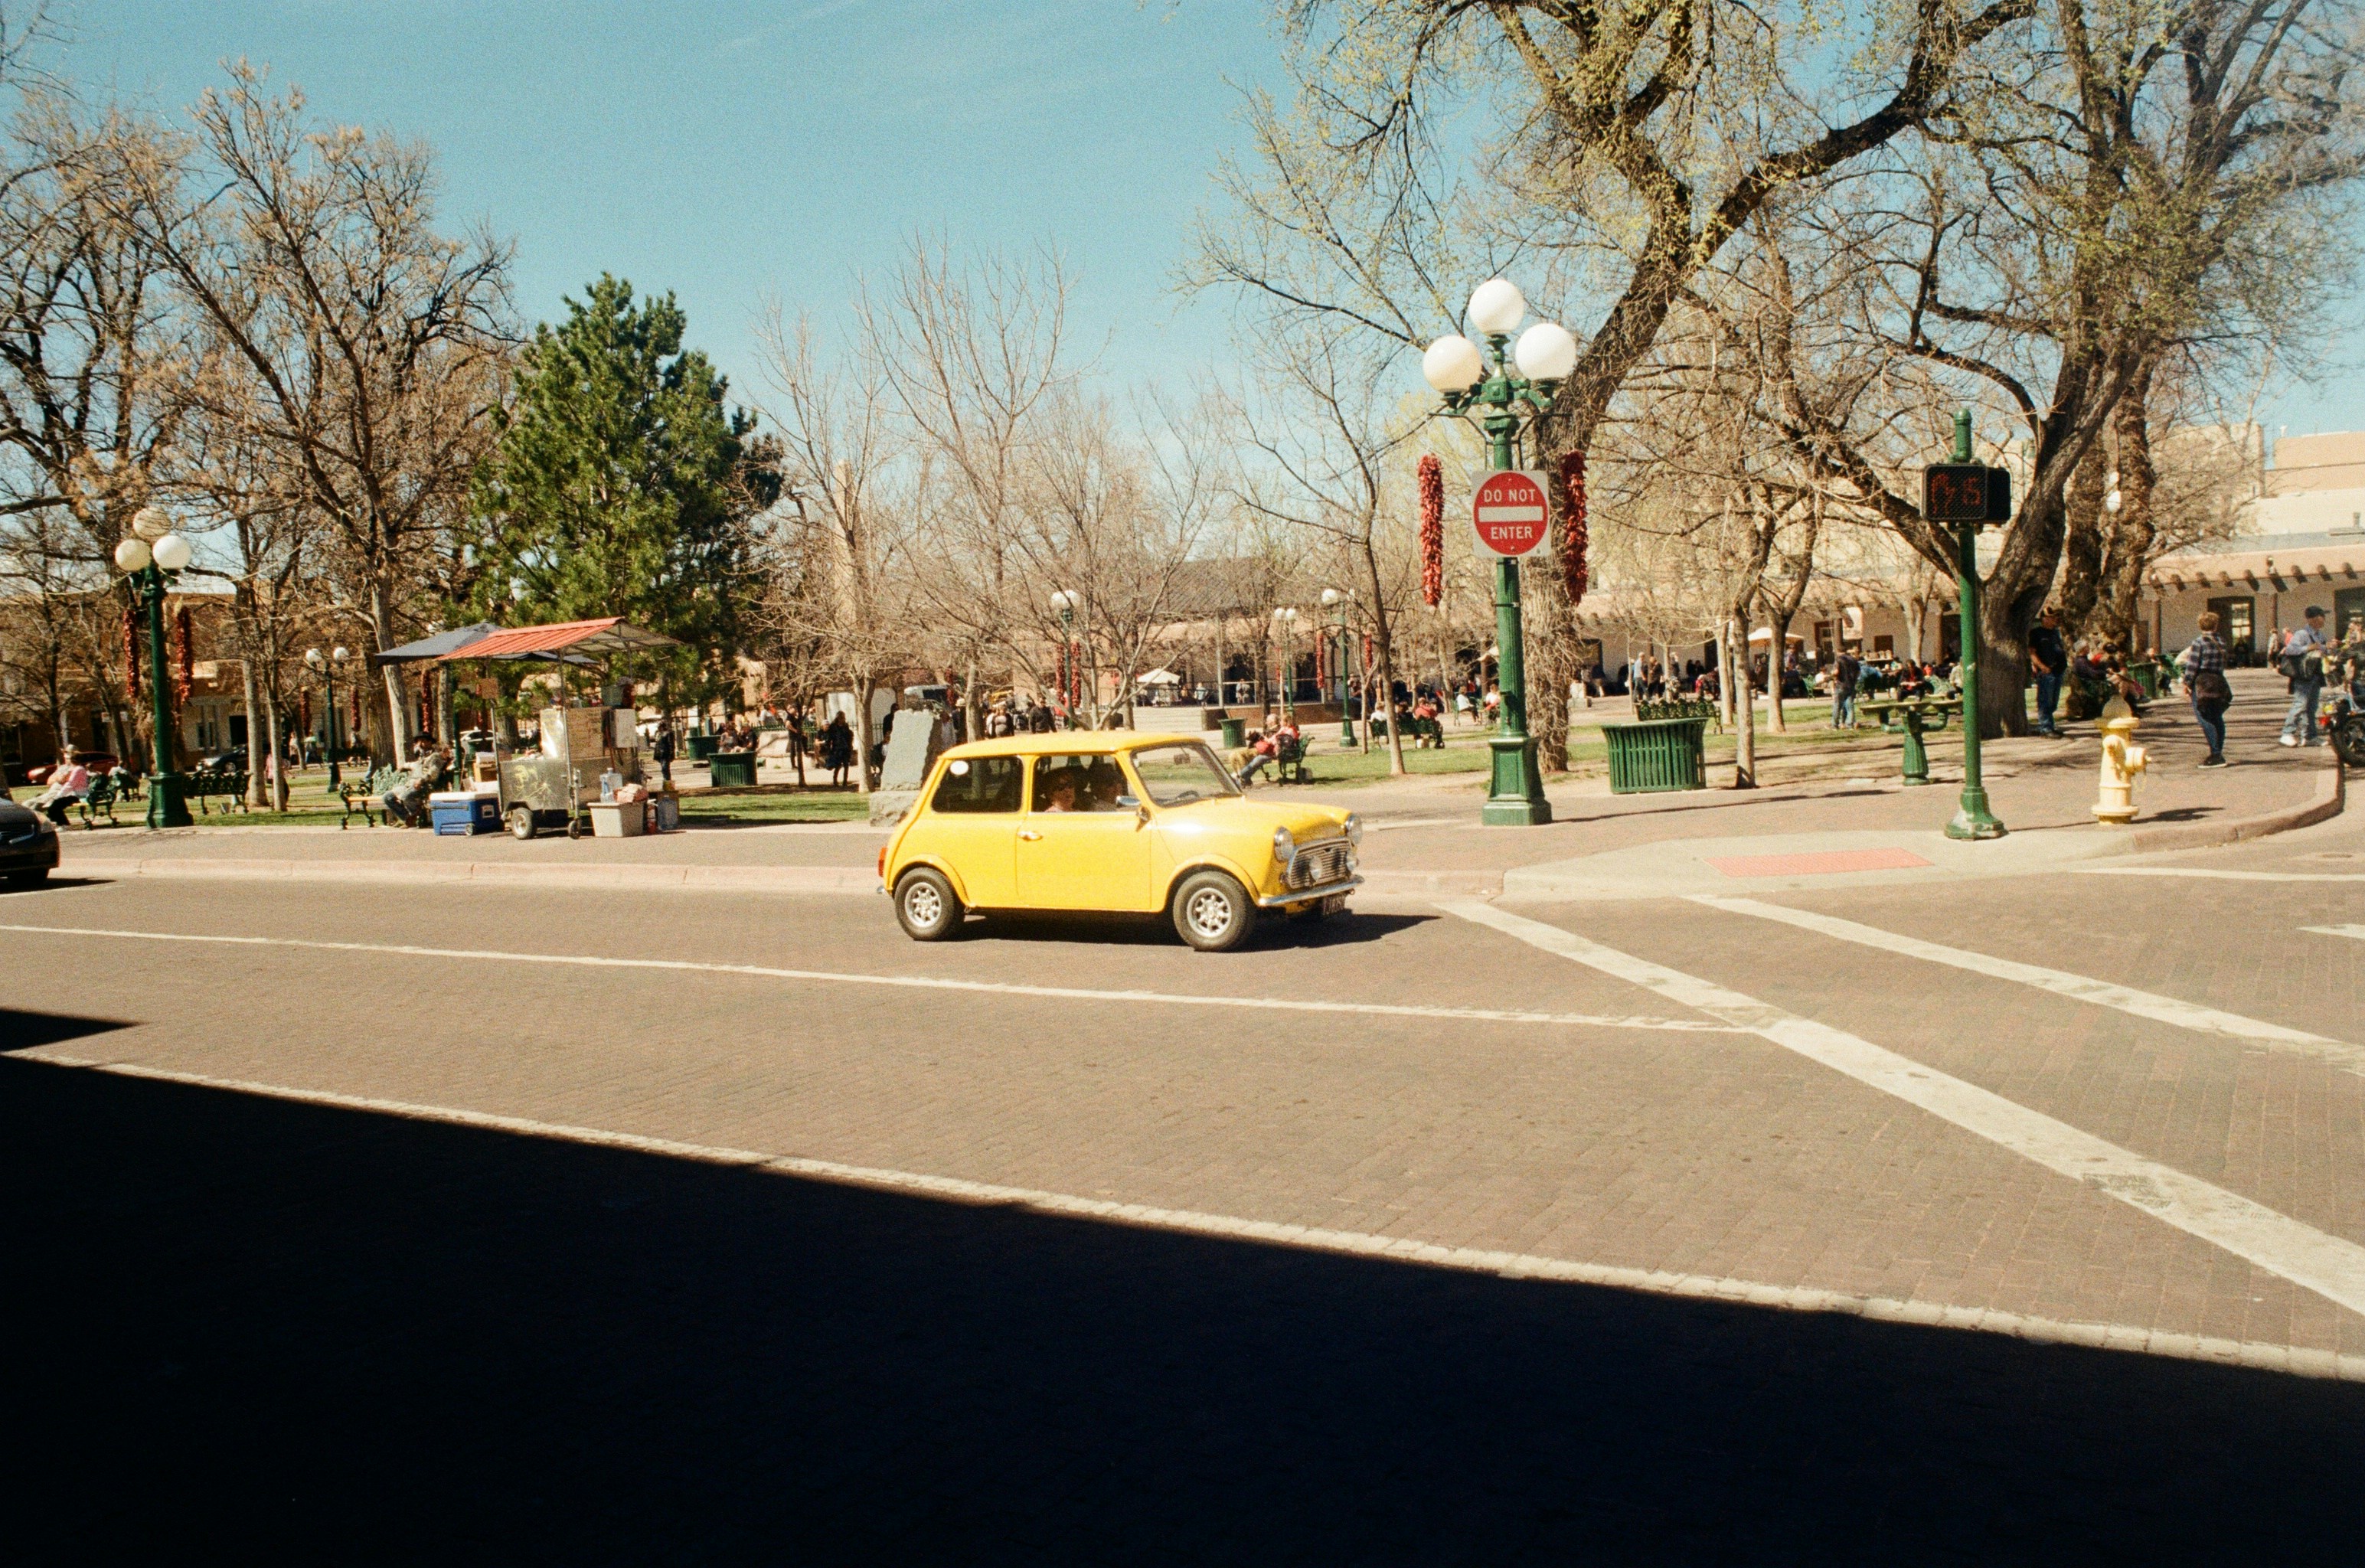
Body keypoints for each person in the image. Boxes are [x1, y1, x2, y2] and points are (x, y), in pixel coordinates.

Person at [2179, 610, 2233, 768]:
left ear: (2200, 625)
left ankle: (2215, 754)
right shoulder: (2222, 642)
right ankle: (2218, 751)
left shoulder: (2199, 642)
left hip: (2202, 681)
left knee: (2204, 717)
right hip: (2218, 680)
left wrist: (2186, 683)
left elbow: (2193, 665)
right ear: (2216, 625)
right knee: (2217, 717)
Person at [2279, 605, 2331, 746]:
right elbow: (2290, 650)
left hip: (2315, 673)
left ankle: (2309, 736)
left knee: (2312, 707)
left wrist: (2329, 648)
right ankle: (2287, 733)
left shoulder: (2320, 634)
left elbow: (2321, 650)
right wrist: (2308, 647)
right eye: (2322, 616)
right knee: (2300, 704)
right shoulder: (2302, 634)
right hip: (2303, 674)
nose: (2324, 619)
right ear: (2313, 619)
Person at [381, 740, 449, 828]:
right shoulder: (423, 756)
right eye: (419, 742)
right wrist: (404, 766)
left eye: (423, 741)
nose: (420, 744)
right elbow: (415, 765)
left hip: (424, 785)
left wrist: (422, 780)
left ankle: (416, 816)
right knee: (387, 797)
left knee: (406, 796)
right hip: (410, 785)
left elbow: (433, 772)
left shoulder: (436, 758)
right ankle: (407, 818)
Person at [2029, 607, 2069, 737]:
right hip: (2047, 671)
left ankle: (2049, 725)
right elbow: (2032, 653)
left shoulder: (2055, 633)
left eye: (2055, 617)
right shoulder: (2037, 633)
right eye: (2051, 617)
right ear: (2044, 619)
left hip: (2058, 670)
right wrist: (2041, 666)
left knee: (2053, 702)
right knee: (2045, 700)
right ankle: (2046, 728)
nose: (2054, 620)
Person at [31, 752, 90, 826]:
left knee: (55, 806)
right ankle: (62, 824)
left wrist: (59, 795)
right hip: (75, 794)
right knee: (54, 806)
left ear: (73, 761)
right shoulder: (79, 769)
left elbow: (70, 784)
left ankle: (64, 825)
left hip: (78, 795)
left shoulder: (78, 770)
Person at [1829, 648, 1860, 728]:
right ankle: (1850, 724)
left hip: (1841, 685)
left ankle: (1834, 724)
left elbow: (1836, 672)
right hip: (1851, 685)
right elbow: (1859, 672)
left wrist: (1831, 675)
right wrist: (1854, 680)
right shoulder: (1853, 660)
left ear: (1838, 652)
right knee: (1850, 706)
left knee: (1837, 705)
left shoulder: (1839, 660)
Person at [821, 713, 854, 786]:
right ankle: (835, 780)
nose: (842, 720)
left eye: (843, 718)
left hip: (845, 748)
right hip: (837, 748)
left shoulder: (845, 727)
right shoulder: (833, 727)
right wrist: (829, 749)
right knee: (838, 766)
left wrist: (850, 747)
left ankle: (845, 781)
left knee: (846, 765)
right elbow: (830, 738)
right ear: (838, 718)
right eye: (841, 718)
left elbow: (849, 738)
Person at [652, 718, 676, 786]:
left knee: (665, 768)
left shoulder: (668, 734)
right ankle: (666, 781)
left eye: (659, 727)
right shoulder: (658, 734)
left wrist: (672, 754)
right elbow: (657, 745)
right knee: (663, 769)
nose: (658, 729)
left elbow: (671, 744)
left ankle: (668, 782)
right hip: (660, 754)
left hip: (666, 754)